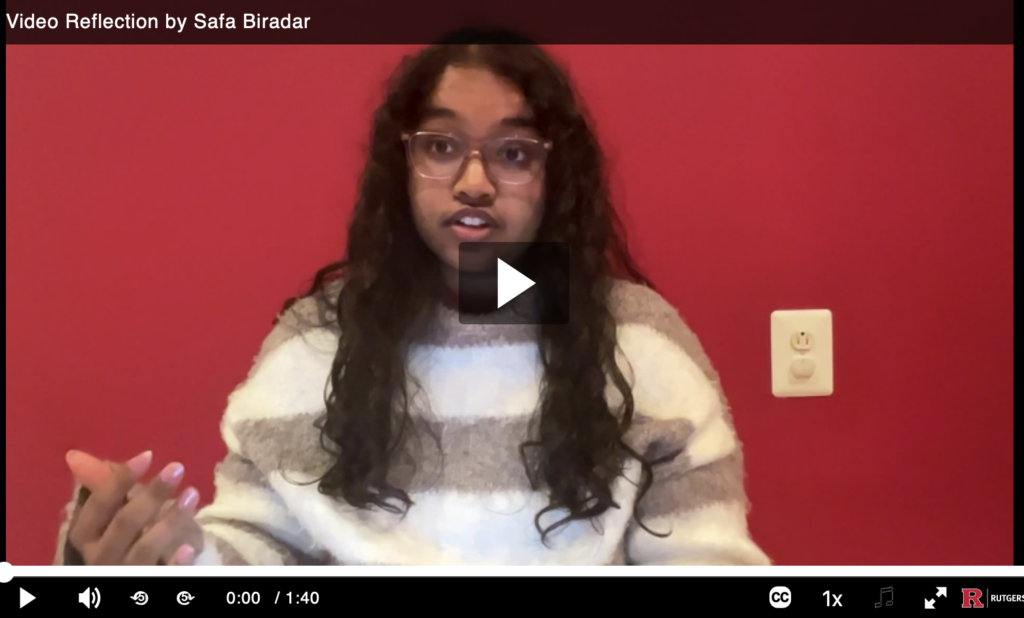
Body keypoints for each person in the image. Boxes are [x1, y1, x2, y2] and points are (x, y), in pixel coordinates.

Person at [53, 29, 771, 566]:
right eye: (442, 146)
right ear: (402, 164)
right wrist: (165, 552)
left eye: (515, 153)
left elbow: (708, 562)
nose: (475, 182)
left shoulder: (639, 342)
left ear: (558, 177)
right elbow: (251, 555)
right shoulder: (316, 343)